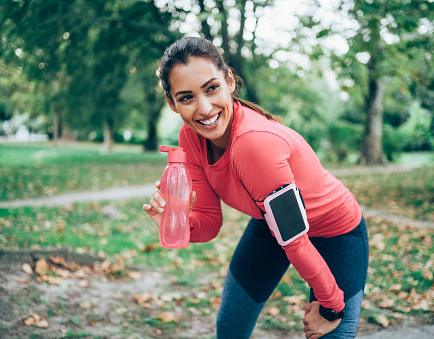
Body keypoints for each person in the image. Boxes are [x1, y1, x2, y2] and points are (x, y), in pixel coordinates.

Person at [143, 36, 369, 339]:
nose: (204, 108)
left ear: (230, 81)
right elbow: (210, 223)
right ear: (172, 103)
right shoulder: (190, 138)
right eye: (186, 97)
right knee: (231, 329)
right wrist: (177, 221)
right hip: (270, 225)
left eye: (211, 88)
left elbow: (295, 241)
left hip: (335, 231)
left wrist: (331, 306)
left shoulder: (254, 143)